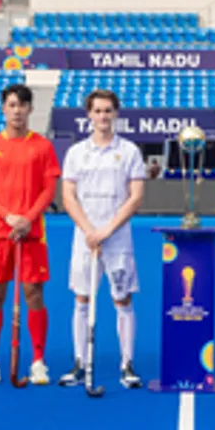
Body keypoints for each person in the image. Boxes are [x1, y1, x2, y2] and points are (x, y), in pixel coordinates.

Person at [57, 90, 147, 389]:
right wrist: (88, 230)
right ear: (89, 115)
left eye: (108, 111)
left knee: (122, 298)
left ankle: (127, 365)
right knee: (82, 299)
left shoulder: (130, 151)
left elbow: (135, 198)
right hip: (84, 238)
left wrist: (106, 230)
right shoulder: (76, 153)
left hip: (117, 238)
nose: (103, 117)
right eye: (97, 111)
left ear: (116, 114)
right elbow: (68, 197)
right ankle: (80, 363)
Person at [0, 84, 61, 386]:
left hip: (32, 232)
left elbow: (49, 189)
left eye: (22, 105)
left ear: (30, 109)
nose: (17, 110)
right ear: (3, 108)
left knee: (33, 294)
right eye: (11, 105)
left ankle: (38, 361)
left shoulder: (43, 146)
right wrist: (8, 216)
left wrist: (28, 217)